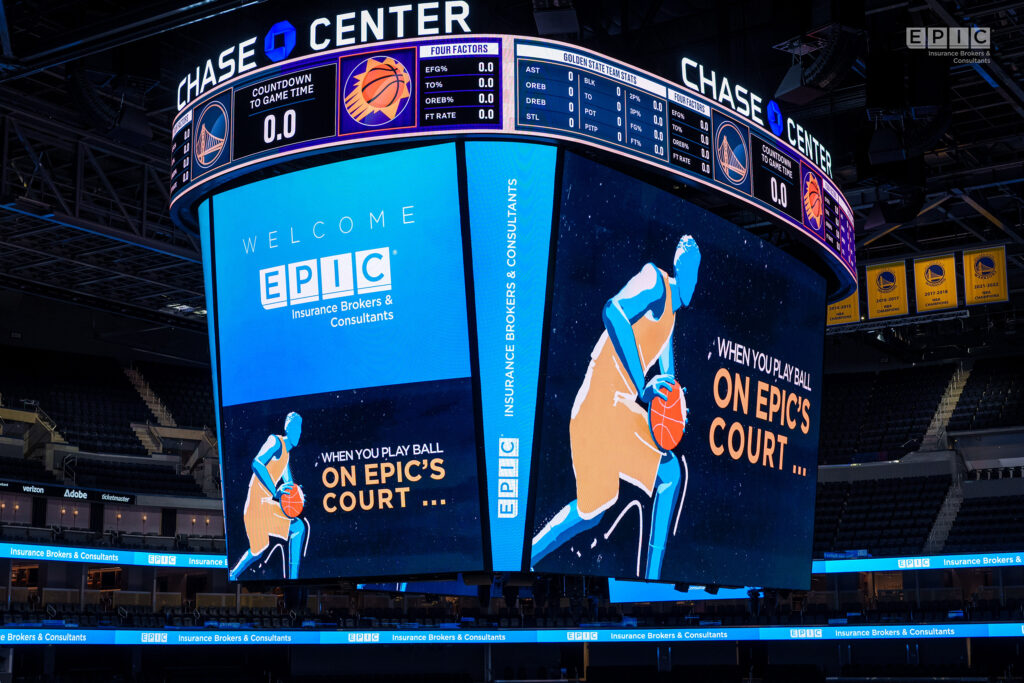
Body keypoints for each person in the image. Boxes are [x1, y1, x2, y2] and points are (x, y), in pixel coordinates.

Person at [531, 236, 701, 580]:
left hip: (610, 410)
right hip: (602, 402)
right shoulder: (655, 282)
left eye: (695, 272)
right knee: (668, 474)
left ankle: (525, 557)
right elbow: (614, 311)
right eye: (688, 269)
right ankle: (653, 582)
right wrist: (643, 387)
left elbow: (667, 382)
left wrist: (677, 410)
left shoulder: (670, 320)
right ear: (680, 268)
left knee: (592, 510)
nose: (691, 279)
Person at [229, 412, 306, 580]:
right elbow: (257, 463)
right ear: (288, 428)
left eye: (300, 429)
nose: (299, 432)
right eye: (296, 428)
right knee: (260, 548)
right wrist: (275, 491)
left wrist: (298, 496)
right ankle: (234, 574)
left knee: (295, 529)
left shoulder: (286, 455)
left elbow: (290, 487)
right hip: (256, 506)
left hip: (265, 506)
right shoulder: (275, 441)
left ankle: (293, 580)